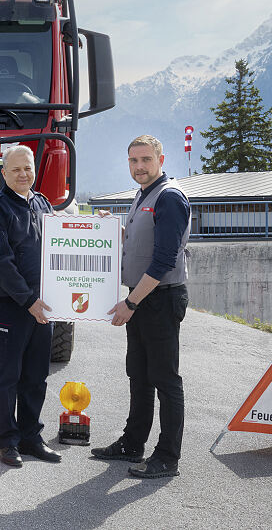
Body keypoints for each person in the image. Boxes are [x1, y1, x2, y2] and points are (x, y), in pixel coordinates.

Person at [91, 135, 190, 479]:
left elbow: (163, 259)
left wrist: (131, 302)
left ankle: (167, 458)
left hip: (159, 299)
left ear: (161, 159)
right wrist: (112, 229)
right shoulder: (144, 194)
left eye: (146, 160)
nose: (139, 167)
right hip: (144, 297)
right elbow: (142, 241)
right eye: (133, 161)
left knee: (165, 379)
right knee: (139, 374)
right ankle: (133, 443)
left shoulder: (170, 197)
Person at [0, 145, 61, 467]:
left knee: (36, 375)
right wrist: (28, 301)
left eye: (27, 168)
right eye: (16, 170)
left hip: (44, 303)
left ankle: (31, 437)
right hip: (12, 305)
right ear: (4, 173)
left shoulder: (42, 204)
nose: (23, 174)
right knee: (9, 376)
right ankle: (7, 442)